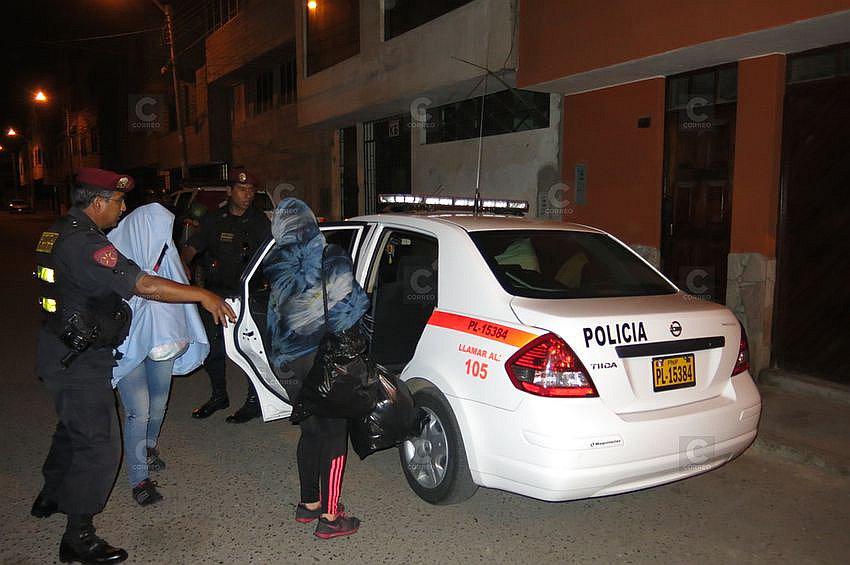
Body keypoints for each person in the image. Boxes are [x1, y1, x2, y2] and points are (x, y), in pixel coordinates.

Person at [32, 168, 235, 564]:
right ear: (97, 203)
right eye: (118, 202)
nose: (123, 208)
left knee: (70, 430)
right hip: (80, 357)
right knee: (99, 446)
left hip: (58, 347)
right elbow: (143, 284)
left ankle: (51, 494)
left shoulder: (55, 231)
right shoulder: (86, 243)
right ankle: (78, 537)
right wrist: (203, 295)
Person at [263, 198, 370, 539]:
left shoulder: (277, 262)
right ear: (311, 224)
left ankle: (308, 503)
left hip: (288, 363)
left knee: (311, 431)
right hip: (323, 360)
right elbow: (345, 312)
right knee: (335, 436)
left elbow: (272, 318)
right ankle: (330, 516)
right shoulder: (331, 256)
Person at [108, 203, 210, 506]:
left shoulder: (165, 253)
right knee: (138, 410)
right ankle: (138, 478)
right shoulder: (112, 254)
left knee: (159, 402)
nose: (163, 236)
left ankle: (149, 447)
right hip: (127, 345)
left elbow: (177, 287)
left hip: (161, 341)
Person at [180, 169, 271, 423]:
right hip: (216, 294)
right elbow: (193, 246)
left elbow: (271, 255)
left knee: (249, 349)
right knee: (213, 347)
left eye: (252, 191)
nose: (248, 195)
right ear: (230, 191)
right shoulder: (214, 219)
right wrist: (183, 262)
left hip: (247, 294)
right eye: (242, 190)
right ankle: (219, 395)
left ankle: (254, 401)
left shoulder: (259, 220)